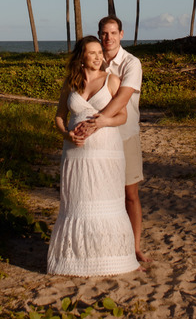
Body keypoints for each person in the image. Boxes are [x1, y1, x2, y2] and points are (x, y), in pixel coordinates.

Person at [46, 36, 139, 276]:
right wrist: (67, 135)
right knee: (78, 202)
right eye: (92, 53)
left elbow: (123, 117)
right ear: (82, 56)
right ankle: (76, 259)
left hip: (106, 153)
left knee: (105, 202)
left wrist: (103, 121)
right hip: (75, 154)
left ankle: (109, 257)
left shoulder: (112, 80)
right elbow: (59, 116)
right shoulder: (71, 82)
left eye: (100, 52)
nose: (99, 57)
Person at [82, 16, 147, 263]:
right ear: (99, 35)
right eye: (104, 33)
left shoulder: (131, 63)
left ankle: (135, 247)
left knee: (129, 193)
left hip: (124, 135)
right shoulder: (94, 61)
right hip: (97, 141)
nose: (108, 38)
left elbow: (122, 98)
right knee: (101, 195)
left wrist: (96, 122)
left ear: (121, 34)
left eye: (112, 33)